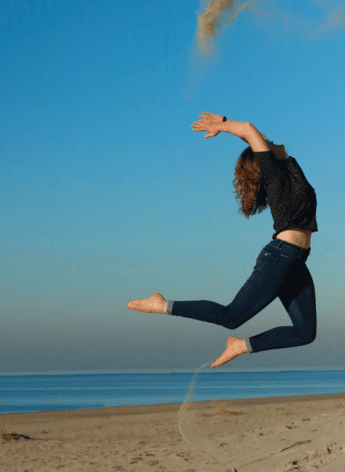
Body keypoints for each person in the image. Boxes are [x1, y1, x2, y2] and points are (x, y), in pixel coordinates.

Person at [128, 111, 318, 368]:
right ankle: (162, 305)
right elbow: (250, 131)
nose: (271, 144)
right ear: (263, 162)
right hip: (281, 256)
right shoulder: (275, 175)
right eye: (264, 147)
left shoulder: (288, 164)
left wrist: (231, 125)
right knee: (231, 316)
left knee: (305, 332)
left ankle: (241, 345)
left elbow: (264, 140)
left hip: (296, 261)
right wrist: (225, 125)